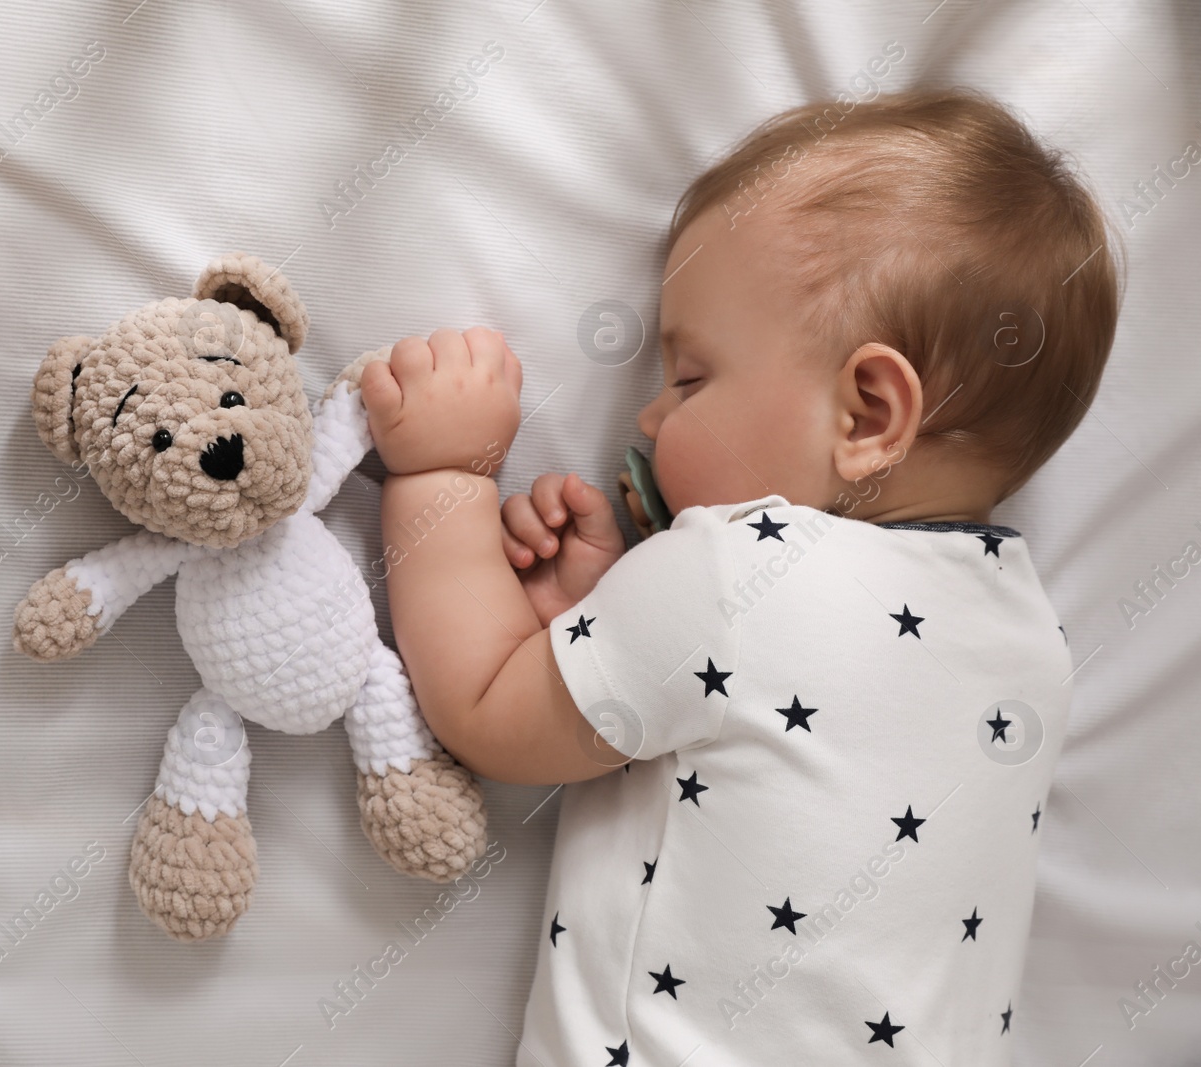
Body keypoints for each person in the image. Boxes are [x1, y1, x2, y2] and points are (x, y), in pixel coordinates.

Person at [359, 89, 1120, 1064]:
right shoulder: (1031, 642)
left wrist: (444, 474)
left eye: (688, 378)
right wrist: (602, 610)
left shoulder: (731, 566)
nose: (647, 418)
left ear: (866, 414)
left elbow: (482, 706)